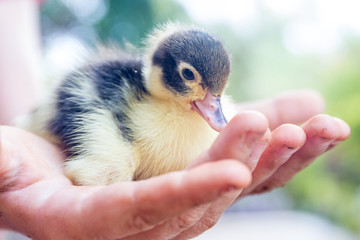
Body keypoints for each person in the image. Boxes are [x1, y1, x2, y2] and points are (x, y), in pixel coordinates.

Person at [0, 0, 351, 239]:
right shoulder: (128, 111)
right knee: (110, 167)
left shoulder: (206, 110)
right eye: (189, 78)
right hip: (57, 117)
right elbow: (91, 133)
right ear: (158, 66)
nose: (212, 106)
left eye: (215, 92)